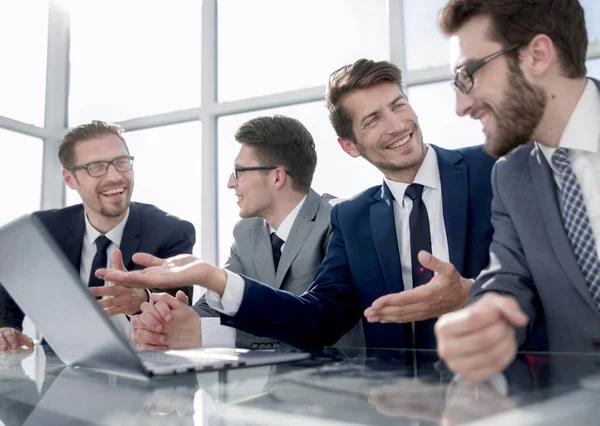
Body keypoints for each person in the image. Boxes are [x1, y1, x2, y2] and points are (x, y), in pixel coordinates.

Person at [98, 59, 496, 350]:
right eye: (372, 119)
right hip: (399, 406)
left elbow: (546, 279)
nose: (396, 125)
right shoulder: (353, 217)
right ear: (349, 146)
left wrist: (471, 293)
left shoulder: (491, 169)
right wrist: (211, 278)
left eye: (398, 105)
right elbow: (316, 320)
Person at [433, 0, 600, 381]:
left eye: (467, 75)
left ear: (538, 55)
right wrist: (486, 315)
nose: (461, 106)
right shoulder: (510, 175)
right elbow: (509, 276)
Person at [129, 115, 364, 349]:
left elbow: (317, 323)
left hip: (338, 378)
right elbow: (215, 306)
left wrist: (206, 335)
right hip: (266, 382)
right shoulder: (246, 232)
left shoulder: (338, 220)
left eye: (239, 172)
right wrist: (169, 321)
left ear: (277, 177)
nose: (231, 183)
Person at [0, 120, 195, 351]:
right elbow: (9, 288)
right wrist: (6, 328)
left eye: (121, 163)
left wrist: (141, 298)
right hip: (61, 373)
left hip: (143, 370)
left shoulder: (171, 231)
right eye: (96, 167)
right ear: (70, 179)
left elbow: (180, 298)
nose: (114, 176)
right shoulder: (44, 229)